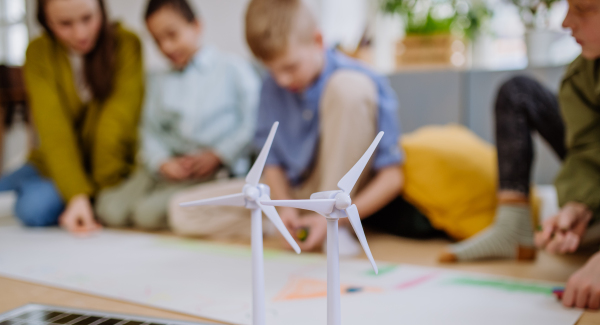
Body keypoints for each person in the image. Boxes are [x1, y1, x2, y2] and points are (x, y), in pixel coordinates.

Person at [170, 0, 442, 250]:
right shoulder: (271, 87)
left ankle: (329, 224)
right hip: (291, 192)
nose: (283, 80)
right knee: (182, 210)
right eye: (272, 70)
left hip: (340, 195)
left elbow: (392, 178)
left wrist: (336, 215)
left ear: (318, 40)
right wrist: (283, 208)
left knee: (347, 88)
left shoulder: (362, 79)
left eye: (290, 67)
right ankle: (289, 227)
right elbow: (272, 162)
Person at [440, 0, 600, 309]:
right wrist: (582, 204)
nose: (566, 22)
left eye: (583, 8)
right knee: (517, 90)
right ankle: (513, 224)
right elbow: (587, 150)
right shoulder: (583, 74)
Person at [95, 0, 260, 230]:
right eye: (157, 41)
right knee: (107, 209)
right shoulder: (159, 81)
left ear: (196, 26)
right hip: (165, 167)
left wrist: (219, 154)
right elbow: (149, 129)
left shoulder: (233, 69)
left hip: (211, 170)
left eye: (172, 35)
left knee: (146, 216)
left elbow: (254, 122)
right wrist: (162, 162)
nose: (167, 47)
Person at [0, 0, 144, 233]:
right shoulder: (39, 52)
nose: (80, 33)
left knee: (34, 209)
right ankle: (24, 181)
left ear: (102, 9)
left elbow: (114, 128)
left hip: (105, 170)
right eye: (65, 24)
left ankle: (27, 186)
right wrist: (77, 195)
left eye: (87, 18)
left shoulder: (127, 44)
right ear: (46, 22)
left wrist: (90, 195)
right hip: (50, 163)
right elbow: (54, 130)